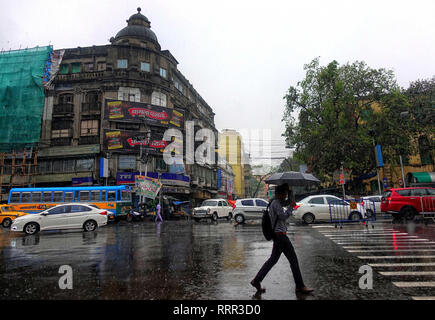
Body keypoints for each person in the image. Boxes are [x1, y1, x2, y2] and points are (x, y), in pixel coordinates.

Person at [251, 183, 313, 294]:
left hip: (279, 236)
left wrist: (290, 200)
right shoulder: (275, 203)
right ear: (279, 194)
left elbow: (283, 210)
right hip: (281, 237)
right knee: (293, 260)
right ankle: (300, 286)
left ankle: (256, 280)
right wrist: (291, 207)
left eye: (286, 193)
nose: (285, 195)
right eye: (284, 193)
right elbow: (283, 217)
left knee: (272, 260)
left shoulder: (275, 202)